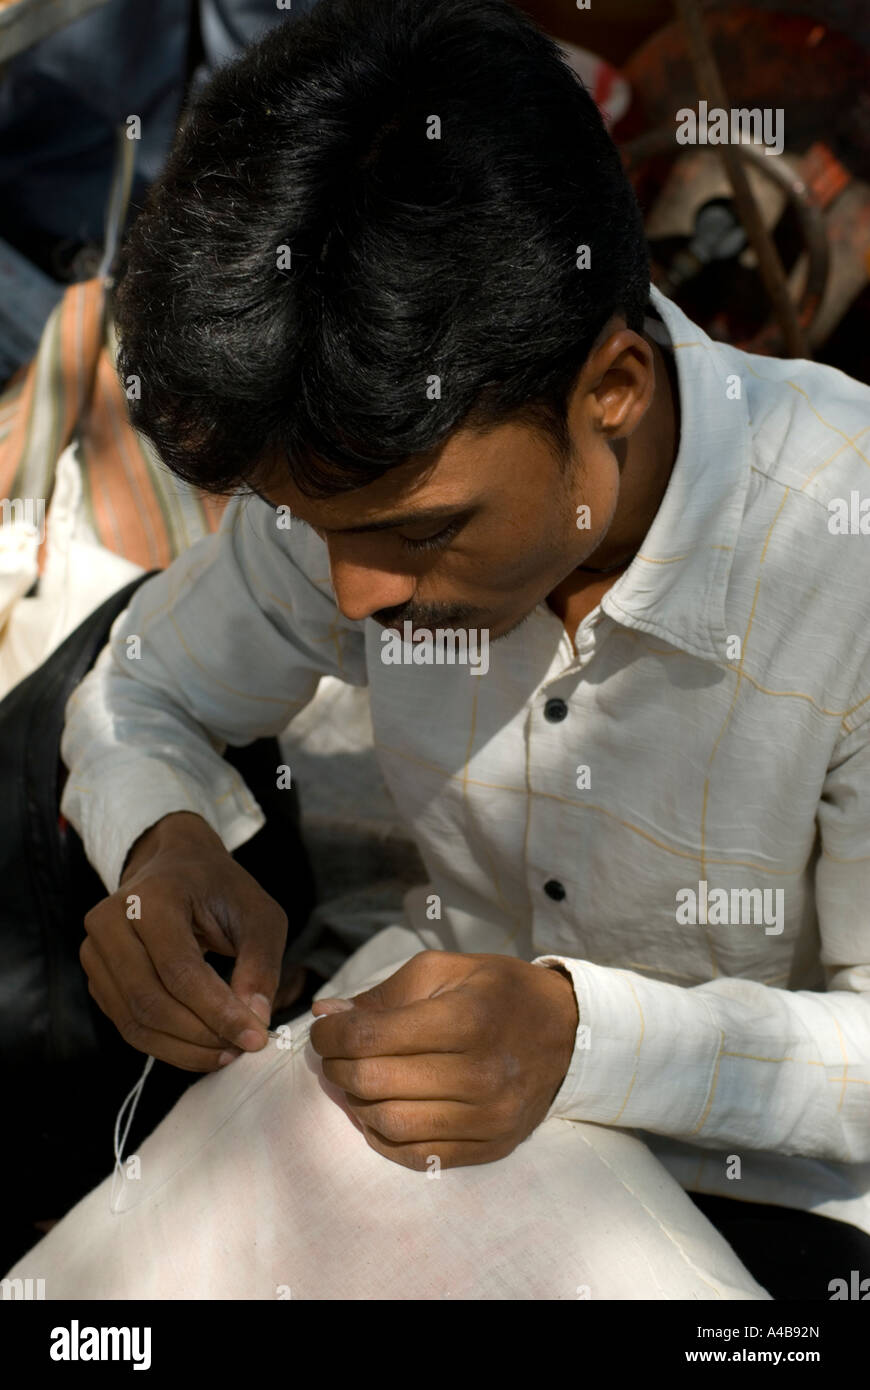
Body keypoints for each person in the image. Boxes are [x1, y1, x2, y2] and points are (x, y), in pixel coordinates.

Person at [7, 0, 870, 1300]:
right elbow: (137, 685)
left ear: (611, 392)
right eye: (318, 531)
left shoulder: (842, 552)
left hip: (770, 1190)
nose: (356, 592)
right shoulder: (359, 474)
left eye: (420, 532)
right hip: (423, 1143)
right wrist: (160, 839)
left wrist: (580, 1036)